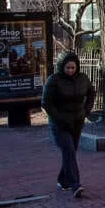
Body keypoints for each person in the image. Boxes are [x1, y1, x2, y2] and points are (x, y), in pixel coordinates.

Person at [41, 52, 96, 198]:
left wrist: (86, 111)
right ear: (61, 67)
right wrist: (59, 118)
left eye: (73, 68)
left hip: (77, 122)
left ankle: (63, 180)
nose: (70, 71)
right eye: (67, 68)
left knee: (71, 152)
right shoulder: (54, 80)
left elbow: (91, 93)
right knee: (69, 150)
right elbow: (46, 103)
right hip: (60, 124)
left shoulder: (83, 79)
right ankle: (75, 185)